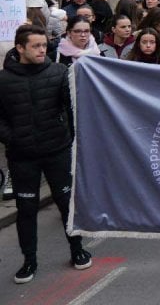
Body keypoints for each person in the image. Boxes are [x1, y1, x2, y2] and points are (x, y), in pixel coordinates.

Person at [0, 24, 94, 284]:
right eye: (36, 46)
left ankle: (77, 250)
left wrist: (70, 140)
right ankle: (29, 261)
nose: (43, 50)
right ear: (20, 48)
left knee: (66, 204)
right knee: (26, 209)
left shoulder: (58, 72)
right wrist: (13, 139)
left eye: (44, 45)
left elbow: (71, 108)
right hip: (22, 157)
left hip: (57, 152)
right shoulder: (3, 80)